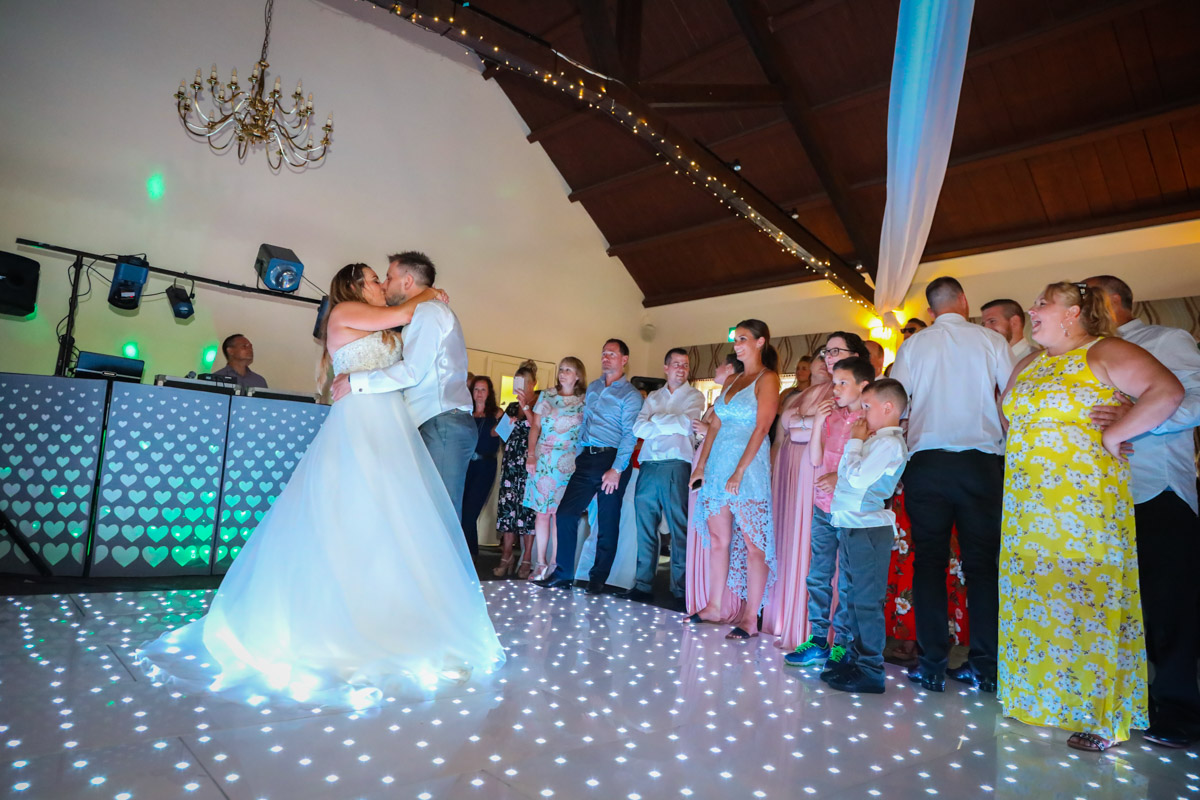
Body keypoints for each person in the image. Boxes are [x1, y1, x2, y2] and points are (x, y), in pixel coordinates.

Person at [135, 263, 505, 706]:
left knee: (392, 521)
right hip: (361, 421)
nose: (380, 284)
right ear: (354, 286)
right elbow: (404, 311)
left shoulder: (383, 319)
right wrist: (430, 292)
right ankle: (340, 620)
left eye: (383, 277)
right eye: (373, 278)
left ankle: (391, 610)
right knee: (353, 513)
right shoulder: (344, 312)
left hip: (392, 425)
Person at [1000, 280, 1182, 751]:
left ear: (1073, 312)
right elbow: (1008, 415)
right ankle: (1048, 700)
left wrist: (1115, 433)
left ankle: (1104, 718)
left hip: (1082, 505)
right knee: (1038, 600)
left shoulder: (1103, 352)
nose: (1032, 309)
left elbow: (1167, 392)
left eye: (1043, 303)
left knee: (1091, 604)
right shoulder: (1030, 362)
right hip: (1028, 505)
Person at [1084, 274, 1200, 748]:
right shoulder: (1080, 354)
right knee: (1113, 605)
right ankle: (1122, 701)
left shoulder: (1165, 340)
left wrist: (1134, 421)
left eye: (1085, 297)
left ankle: (1178, 709)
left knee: (1168, 604)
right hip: (1097, 499)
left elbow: (1193, 402)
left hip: (1157, 487)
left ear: (1112, 300)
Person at [889, 276, 1015, 693]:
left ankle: (931, 665)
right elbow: (1012, 397)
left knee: (929, 563)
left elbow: (898, 403)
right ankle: (985, 667)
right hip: (981, 464)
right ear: (963, 300)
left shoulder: (913, 346)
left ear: (930, 311)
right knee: (982, 566)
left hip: (928, 463)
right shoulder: (991, 341)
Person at [332, 252, 475, 521]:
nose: (384, 285)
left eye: (387, 278)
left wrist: (354, 380)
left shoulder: (429, 312)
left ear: (407, 281)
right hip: (412, 423)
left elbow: (412, 371)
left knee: (438, 516)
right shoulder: (411, 317)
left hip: (441, 420)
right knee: (416, 513)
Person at [689, 319, 780, 640]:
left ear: (760, 341)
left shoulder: (768, 378)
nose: (737, 345)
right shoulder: (732, 379)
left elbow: (763, 427)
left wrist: (740, 470)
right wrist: (701, 466)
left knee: (755, 544)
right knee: (719, 539)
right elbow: (714, 425)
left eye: (743, 339)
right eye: (735, 340)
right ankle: (714, 606)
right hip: (717, 465)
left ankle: (750, 618)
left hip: (748, 466)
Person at [785, 353, 873, 674]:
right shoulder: (833, 418)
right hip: (823, 505)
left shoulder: (870, 422)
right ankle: (818, 639)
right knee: (818, 574)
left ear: (863, 386)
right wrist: (819, 423)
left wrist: (840, 477)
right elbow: (815, 459)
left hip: (850, 510)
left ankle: (842, 643)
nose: (835, 390)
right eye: (834, 383)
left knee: (847, 579)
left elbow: (870, 467)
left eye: (842, 383)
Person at [822, 379, 910, 694]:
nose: (863, 413)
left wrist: (854, 442)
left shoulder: (889, 444)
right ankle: (857, 660)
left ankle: (871, 669)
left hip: (868, 528)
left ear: (888, 408)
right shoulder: (876, 441)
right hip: (853, 524)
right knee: (854, 599)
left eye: (868, 406)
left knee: (866, 601)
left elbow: (857, 479)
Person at [536, 340, 642, 593]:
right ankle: (563, 574)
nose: (606, 357)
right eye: (604, 353)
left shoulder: (631, 395)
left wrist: (616, 469)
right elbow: (585, 423)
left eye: (612, 354)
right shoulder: (593, 387)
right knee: (565, 513)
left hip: (612, 460)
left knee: (606, 522)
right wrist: (579, 453)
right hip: (587, 458)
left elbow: (630, 435)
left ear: (624, 359)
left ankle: (597, 579)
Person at [762, 347, 833, 650]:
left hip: (812, 468)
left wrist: (802, 424)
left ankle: (806, 624)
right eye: (820, 357)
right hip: (786, 469)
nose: (823, 363)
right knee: (786, 538)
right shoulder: (792, 398)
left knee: (807, 541)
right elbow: (779, 439)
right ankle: (779, 616)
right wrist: (772, 473)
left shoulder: (834, 395)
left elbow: (820, 434)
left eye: (829, 358)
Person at [627, 348, 706, 603]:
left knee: (679, 529)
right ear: (666, 368)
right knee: (645, 527)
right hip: (649, 465)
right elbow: (639, 428)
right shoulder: (653, 396)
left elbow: (687, 425)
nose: (681, 369)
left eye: (685, 365)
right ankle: (642, 584)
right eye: (676, 364)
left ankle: (680, 589)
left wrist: (656, 421)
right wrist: (668, 422)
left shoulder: (695, 396)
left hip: (677, 464)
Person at [685, 354, 746, 623]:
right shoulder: (717, 401)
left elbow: (736, 436)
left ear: (730, 368)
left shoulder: (738, 400)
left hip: (719, 467)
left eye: (719, 365)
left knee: (722, 536)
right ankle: (703, 596)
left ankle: (723, 602)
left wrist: (708, 428)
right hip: (703, 465)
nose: (716, 369)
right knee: (704, 532)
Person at [524, 358, 587, 581]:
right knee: (542, 512)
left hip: (569, 461)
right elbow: (535, 426)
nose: (563, 373)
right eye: (561, 369)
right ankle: (540, 562)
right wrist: (531, 454)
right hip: (544, 458)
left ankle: (555, 563)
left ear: (578, 375)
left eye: (568, 370)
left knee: (560, 514)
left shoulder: (585, 399)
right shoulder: (547, 395)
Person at [494, 361, 539, 578]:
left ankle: (526, 559)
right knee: (508, 512)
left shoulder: (540, 404)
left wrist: (526, 408)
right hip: (511, 465)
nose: (520, 386)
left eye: (524, 382)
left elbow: (539, 429)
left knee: (527, 513)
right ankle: (506, 556)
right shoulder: (512, 406)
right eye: (517, 382)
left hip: (529, 466)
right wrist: (506, 423)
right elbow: (499, 434)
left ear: (533, 384)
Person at [460, 376, 503, 557]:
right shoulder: (465, 412)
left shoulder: (497, 414)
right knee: (462, 512)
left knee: (470, 513)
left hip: (485, 467)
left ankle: (469, 556)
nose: (479, 393)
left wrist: (499, 430)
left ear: (489, 393)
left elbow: (507, 436)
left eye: (483, 389)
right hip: (465, 466)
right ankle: (469, 555)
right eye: (476, 389)